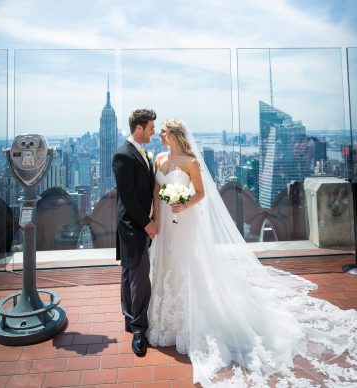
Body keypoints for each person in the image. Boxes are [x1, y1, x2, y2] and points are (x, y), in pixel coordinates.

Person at [147, 119, 357, 387]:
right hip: (165, 222)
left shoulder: (191, 162)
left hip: (184, 221)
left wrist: (183, 203)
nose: (160, 135)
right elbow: (156, 190)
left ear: (174, 134)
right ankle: (166, 319)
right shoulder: (160, 158)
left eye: (163, 132)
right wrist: (156, 218)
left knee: (187, 265)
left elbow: (200, 194)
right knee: (166, 264)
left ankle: (188, 320)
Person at [112, 109, 158, 356]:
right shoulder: (123, 155)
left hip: (136, 224)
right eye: (151, 127)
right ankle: (139, 330)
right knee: (139, 276)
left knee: (130, 273)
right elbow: (128, 197)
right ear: (139, 128)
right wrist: (147, 224)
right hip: (133, 225)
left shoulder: (141, 153)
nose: (153, 131)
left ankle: (130, 320)